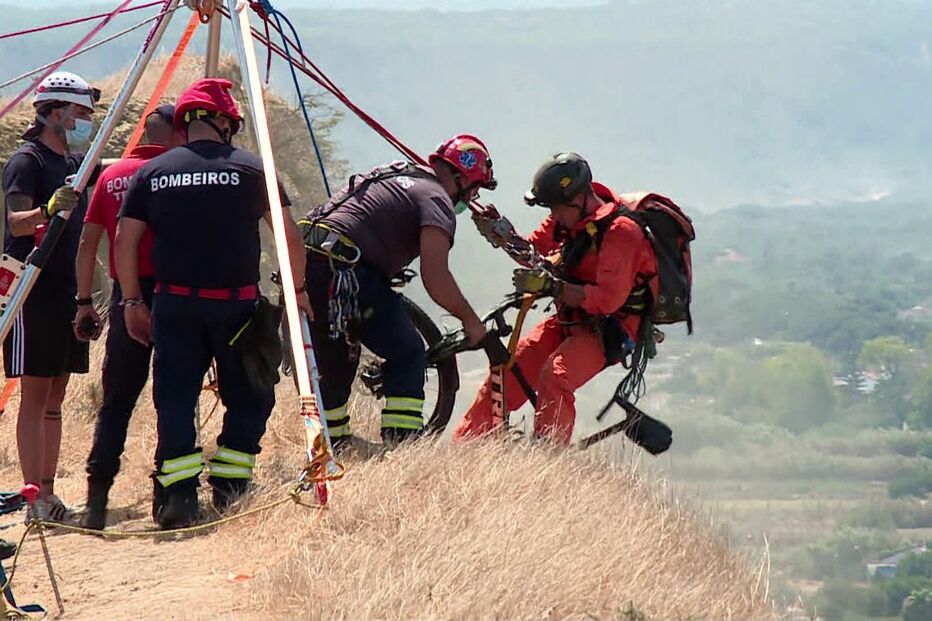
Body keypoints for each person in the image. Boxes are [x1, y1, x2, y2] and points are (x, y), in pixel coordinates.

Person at [115, 78, 311, 529]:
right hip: (237, 308)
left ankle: (179, 499)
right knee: (252, 395)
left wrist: (130, 301)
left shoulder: (153, 172)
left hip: (174, 306)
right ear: (223, 121)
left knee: (176, 399)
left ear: (185, 123)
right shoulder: (251, 169)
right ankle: (231, 486)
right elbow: (290, 236)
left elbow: (126, 240)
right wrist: (295, 291)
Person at [300, 134, 495, 450]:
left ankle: (332, 440)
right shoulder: (437, 200)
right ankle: (402, 442)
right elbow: (436, 275)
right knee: (406, 351)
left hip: (308, 262)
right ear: (461, 178)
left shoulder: (396, 172)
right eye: (473, 189)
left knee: (335, 361)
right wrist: (471, 321)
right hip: (345, 272)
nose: (471, 198)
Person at [453, 152, 660, 445]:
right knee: (508, 371)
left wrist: (553, 286)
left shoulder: (621, 232)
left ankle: (548, 463)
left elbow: (607, 300)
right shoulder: (567, 218)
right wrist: (501, 232)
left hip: (610, 329)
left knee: (556, 376)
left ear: (578, 199)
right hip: (569, 318)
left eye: (556, 207)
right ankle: (464, 448)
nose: (553, 214)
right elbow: (532, 254)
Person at [74, 105, 183, 530]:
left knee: (116, 401)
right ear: (176, 135)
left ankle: (96, 504)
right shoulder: (175, 172)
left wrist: (84, 301)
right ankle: (166, 500)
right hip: (174, 295)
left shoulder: (110, 175)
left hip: (125, 297)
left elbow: (88, 244)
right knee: (173, 397)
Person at [2, 71, 99, 521]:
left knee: (56, 394)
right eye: (79, 112)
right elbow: (17, 222)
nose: (83, 120)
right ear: (56, 111)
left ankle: (49, 492)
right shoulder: (29, 160)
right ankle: (32, 498)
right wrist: (48, 209)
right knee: (36, 393)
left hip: (63, 290)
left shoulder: (72, 164)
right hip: (30, 289)